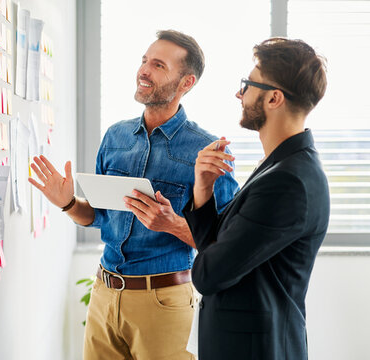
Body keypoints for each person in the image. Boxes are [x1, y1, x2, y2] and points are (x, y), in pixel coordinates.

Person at [28, 30, 238, 360]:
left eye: (158, 65)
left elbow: (226, 246)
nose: (144, 70)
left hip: (162, 299)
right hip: (104, 292)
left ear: (186, 83)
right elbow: (97, 217)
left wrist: (171, 224)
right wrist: (67, 202)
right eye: (144, 61)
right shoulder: (115, 136)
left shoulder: (207, 150)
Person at [183, 38, 329, 359]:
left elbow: (208, 275)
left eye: (247, 85)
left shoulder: (287, 181)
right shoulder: (281, 165)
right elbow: (217, 250)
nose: (240, 94)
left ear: (274, 98)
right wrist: (203, 191)